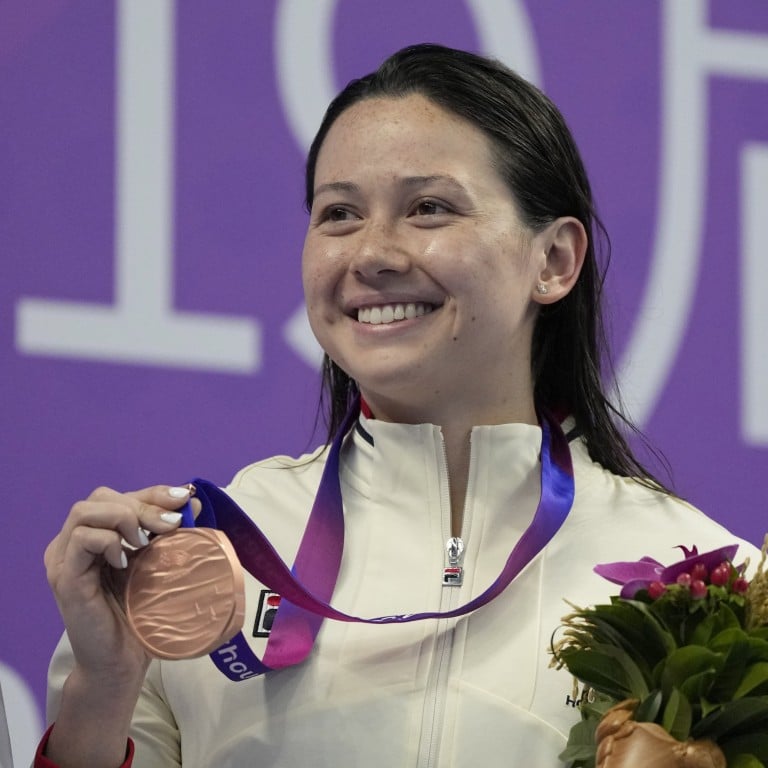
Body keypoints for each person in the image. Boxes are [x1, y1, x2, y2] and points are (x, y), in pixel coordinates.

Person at [39, 44, 758, 767]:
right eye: (340, 213)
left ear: (555, 261)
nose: (373, 253)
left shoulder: (707, 594)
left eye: (429, 208)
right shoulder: (202, 563)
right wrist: (104, 685)